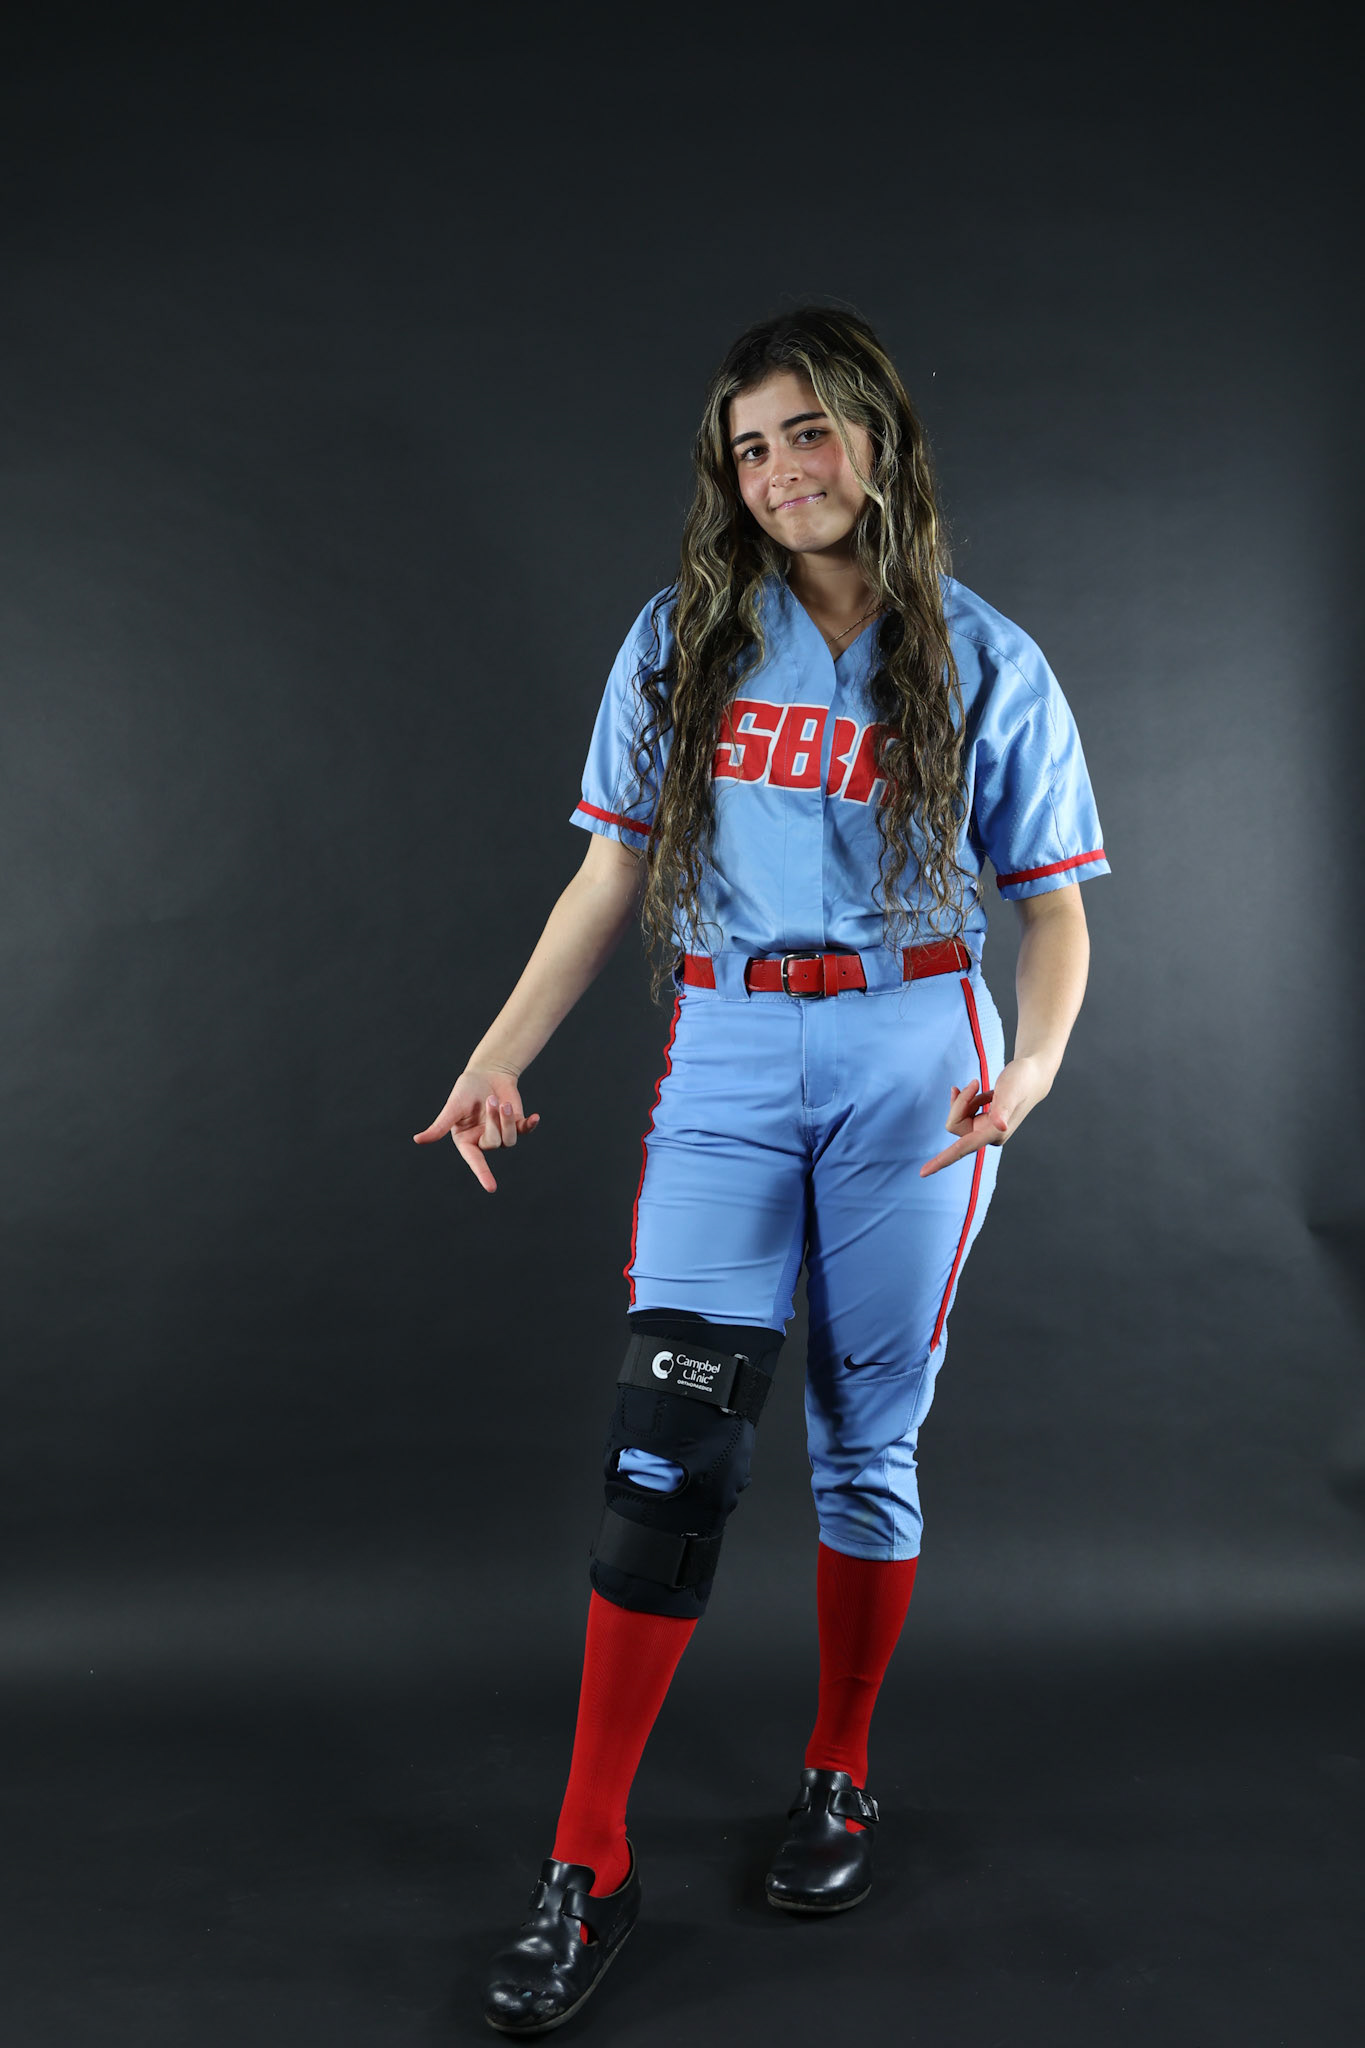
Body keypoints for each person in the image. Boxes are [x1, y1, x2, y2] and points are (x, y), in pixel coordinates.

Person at [413, 304, 1110, 2036]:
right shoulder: (680, 641)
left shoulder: (981, 654)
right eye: (750, 447)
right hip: (728, 1050)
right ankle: (588, 1861)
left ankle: (839, 1770)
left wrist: (1026, 1071)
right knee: (671, 1446)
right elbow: (603, 879)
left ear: (874, 439)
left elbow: (1056, 907)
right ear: (725, 481)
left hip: (911, 1061)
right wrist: (498, 1055)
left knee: (864, 1435)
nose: (783, 468)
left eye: (809, 431)